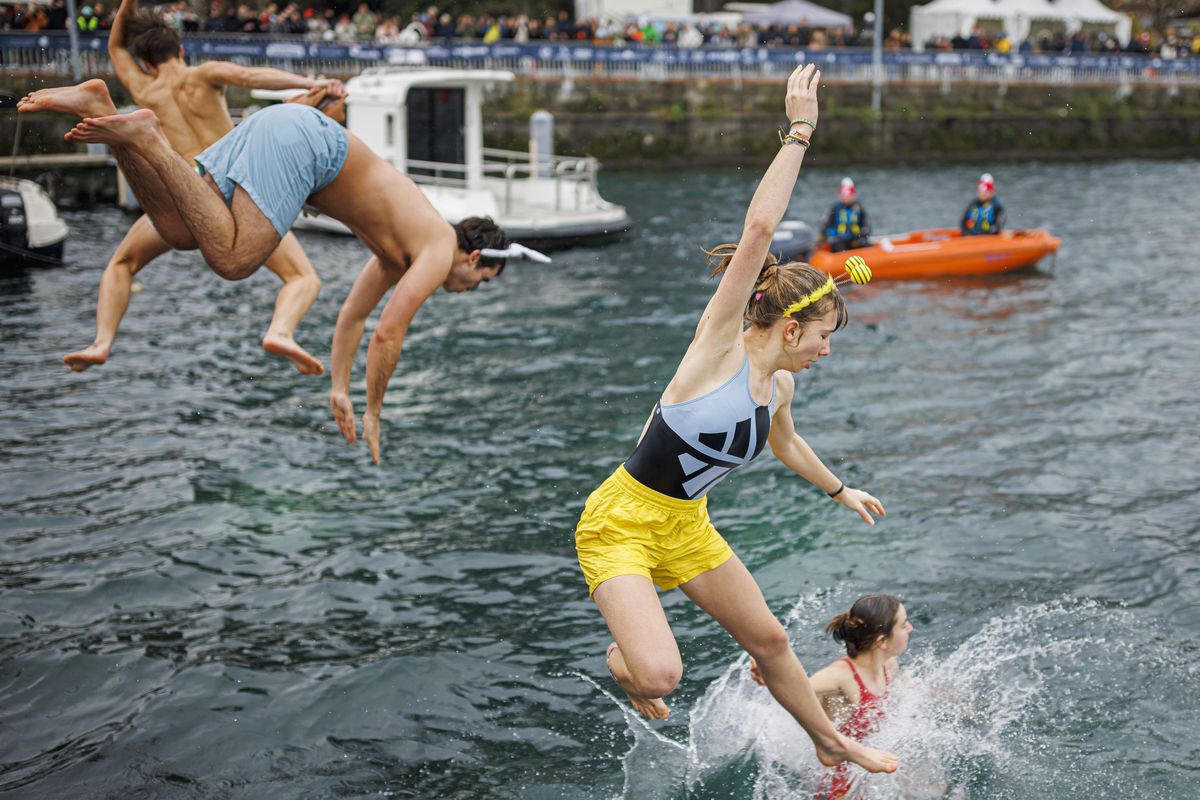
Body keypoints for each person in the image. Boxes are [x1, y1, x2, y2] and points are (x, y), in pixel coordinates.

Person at [573, 64, 897, 777]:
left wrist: (839, 490)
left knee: (773, 642)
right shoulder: (716, 346)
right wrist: (801, 130)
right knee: (658, 677)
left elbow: (786, 443)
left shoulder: (778, 387)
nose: (827, 350)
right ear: (787, 329)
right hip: (622, 520)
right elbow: (759, 227)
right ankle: (625, 661)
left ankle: (830, 742)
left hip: (689, 525)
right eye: (822, 337)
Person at [18, 75, 530, 464]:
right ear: (474, 258)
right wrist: (375, 411)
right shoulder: (439, 247)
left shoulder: (399, 252)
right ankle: (149, 136)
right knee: (236, 259)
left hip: (281, 127)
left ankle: (107, 113)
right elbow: (388, 334)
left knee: (176, 229)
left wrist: (338, 389)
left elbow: (353, 320)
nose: (464, 291)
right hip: (308, 145)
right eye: (476, 284)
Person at [62, 0, 345, 375]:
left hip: (186, 193)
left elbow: (114, 47)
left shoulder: (146, 88)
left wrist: (127, 6)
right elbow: (251, 78)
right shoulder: (203, 75)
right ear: (181, 50)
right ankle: (282, 331)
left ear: (146, 62)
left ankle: (101, 343)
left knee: (122, 263)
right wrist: (311, 83)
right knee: (302, 276)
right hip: (235, 188)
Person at [750, 594, 912, 799]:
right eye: (904, 625)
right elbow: (793, 689)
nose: (910, 629)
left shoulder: (889, 665)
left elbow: (912, 690)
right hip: (839, 784)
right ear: (882, 641)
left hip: (869, 768)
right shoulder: (840, 677)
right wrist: (768, 673)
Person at [821, 177, 870, 252]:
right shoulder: (835, 208)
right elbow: (826, 225)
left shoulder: (858, 207)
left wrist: (862, 236)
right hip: (839, 240)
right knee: (838, 245)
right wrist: (830, 237)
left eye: (849, 195)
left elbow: (866, 224)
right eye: (844, 195)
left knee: (864, 244)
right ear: (840, 196)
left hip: (855, 239)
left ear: (853, 195)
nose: (847, 198)